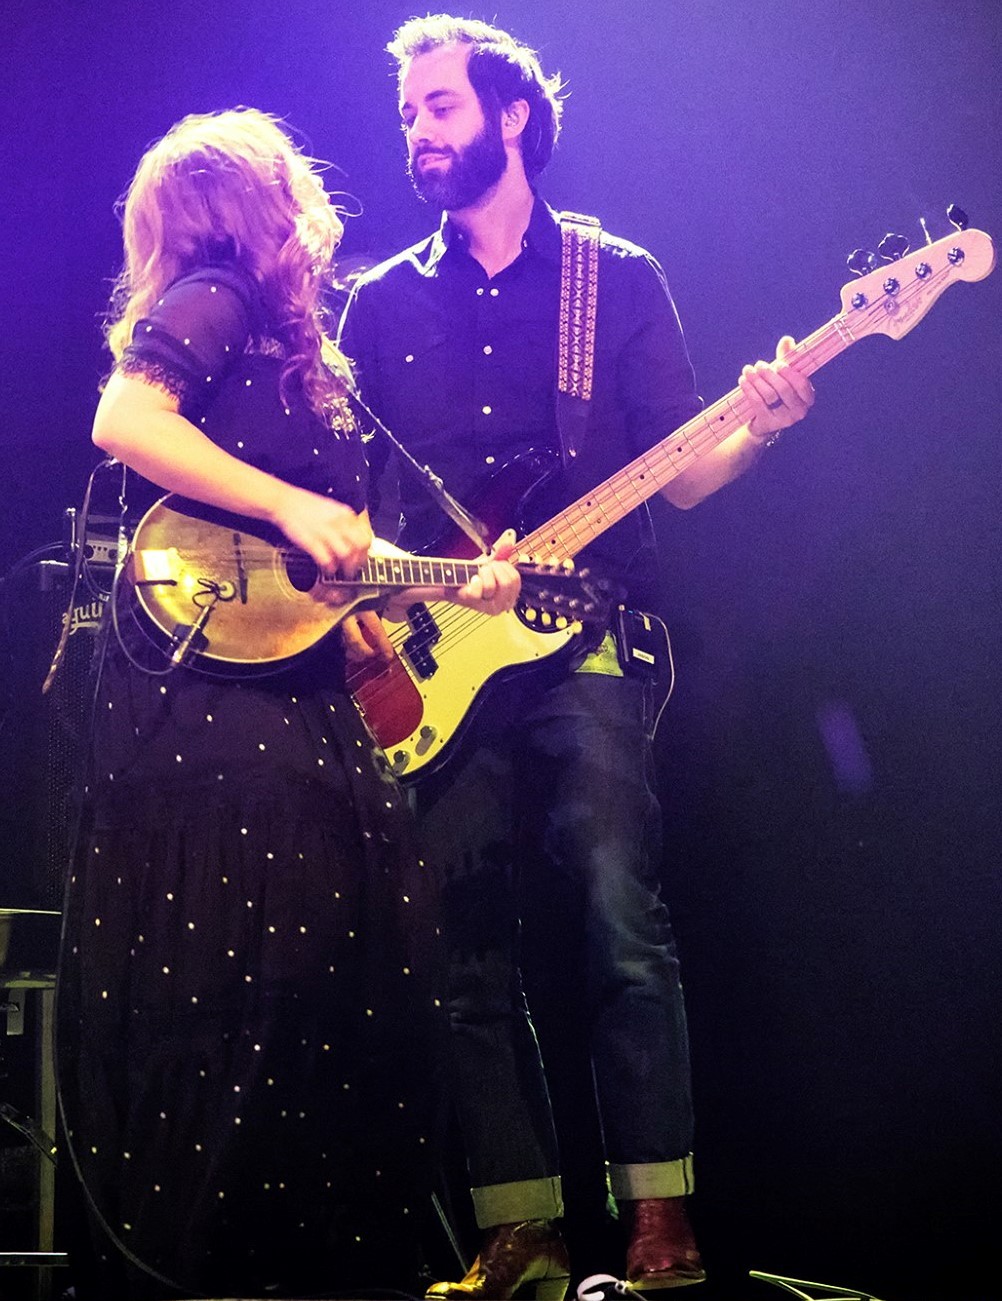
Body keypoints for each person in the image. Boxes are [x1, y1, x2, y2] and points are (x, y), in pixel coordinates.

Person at [337, 16, 816, 1299]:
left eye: (439, 107)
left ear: (511, 117)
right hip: (438, 659)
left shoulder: (614, 277)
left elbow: (690, 476)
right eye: (408, 116)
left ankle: (659, 1220)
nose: (418, 133)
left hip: (591, 634)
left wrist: (758, 426)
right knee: (466, 938)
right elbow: (351, 512)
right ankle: (521, 1229)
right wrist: (412, 593)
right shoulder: (376, 307)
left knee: (619, 907)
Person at [55, 107, 520, 1301]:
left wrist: (429, 583)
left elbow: (305, 562)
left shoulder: (298, 356)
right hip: (215, 724)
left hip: (301, 700)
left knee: (343, 983)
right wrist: (294, 506)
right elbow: (125, 419)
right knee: (259, 983)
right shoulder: (214, 295)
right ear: (255, 205)